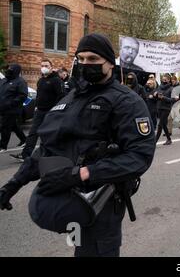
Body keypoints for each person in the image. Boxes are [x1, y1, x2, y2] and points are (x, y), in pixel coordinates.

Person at [0, 33, 155, 257]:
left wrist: (81, 174)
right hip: (68, 198)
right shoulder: (72, 98)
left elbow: (139, 157)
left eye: (93, 59)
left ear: (110, 63)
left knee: (98, 252)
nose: (85, 64)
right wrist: (13, 185)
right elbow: (47, 148)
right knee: (80, 249)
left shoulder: (127, 102)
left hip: (102, 200)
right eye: (80, 59)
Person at [10, 59, 64, 161]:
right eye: (42, 65)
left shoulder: (56, 80)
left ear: (51, 67)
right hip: (39, 111)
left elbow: (61, 96)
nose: (44, 67)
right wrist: (36, 106)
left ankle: (49, 155)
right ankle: (25, 155)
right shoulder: (41, 80)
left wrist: (55, 110)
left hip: (50, 112)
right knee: (33, 133)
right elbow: (39, 95)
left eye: (46, 65)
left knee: (48, 134)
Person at [0, 64, 28, 152]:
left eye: (11, 70)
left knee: (5, 127)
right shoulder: (4, 80)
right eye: (8, 69)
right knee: (14, 126)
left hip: (12, 109)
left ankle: (3, 146)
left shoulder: (20, 82)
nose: (8, 70)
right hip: (2, 108)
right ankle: (24, 140)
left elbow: (23, 95)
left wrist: (11, 103)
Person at [154, 74, 175, 145]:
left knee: (160, 125)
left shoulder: (171, 88)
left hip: (166, 108)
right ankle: (169, 139)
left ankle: (154, 141)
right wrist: (155, 95)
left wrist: (163, 97)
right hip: (159, 107)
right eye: (163, 79)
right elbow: (157, 97)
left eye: (165, 79)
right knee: (163, 124)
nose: (164, 81)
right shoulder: (160, 87)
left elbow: (172, 100)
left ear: (169, 80)